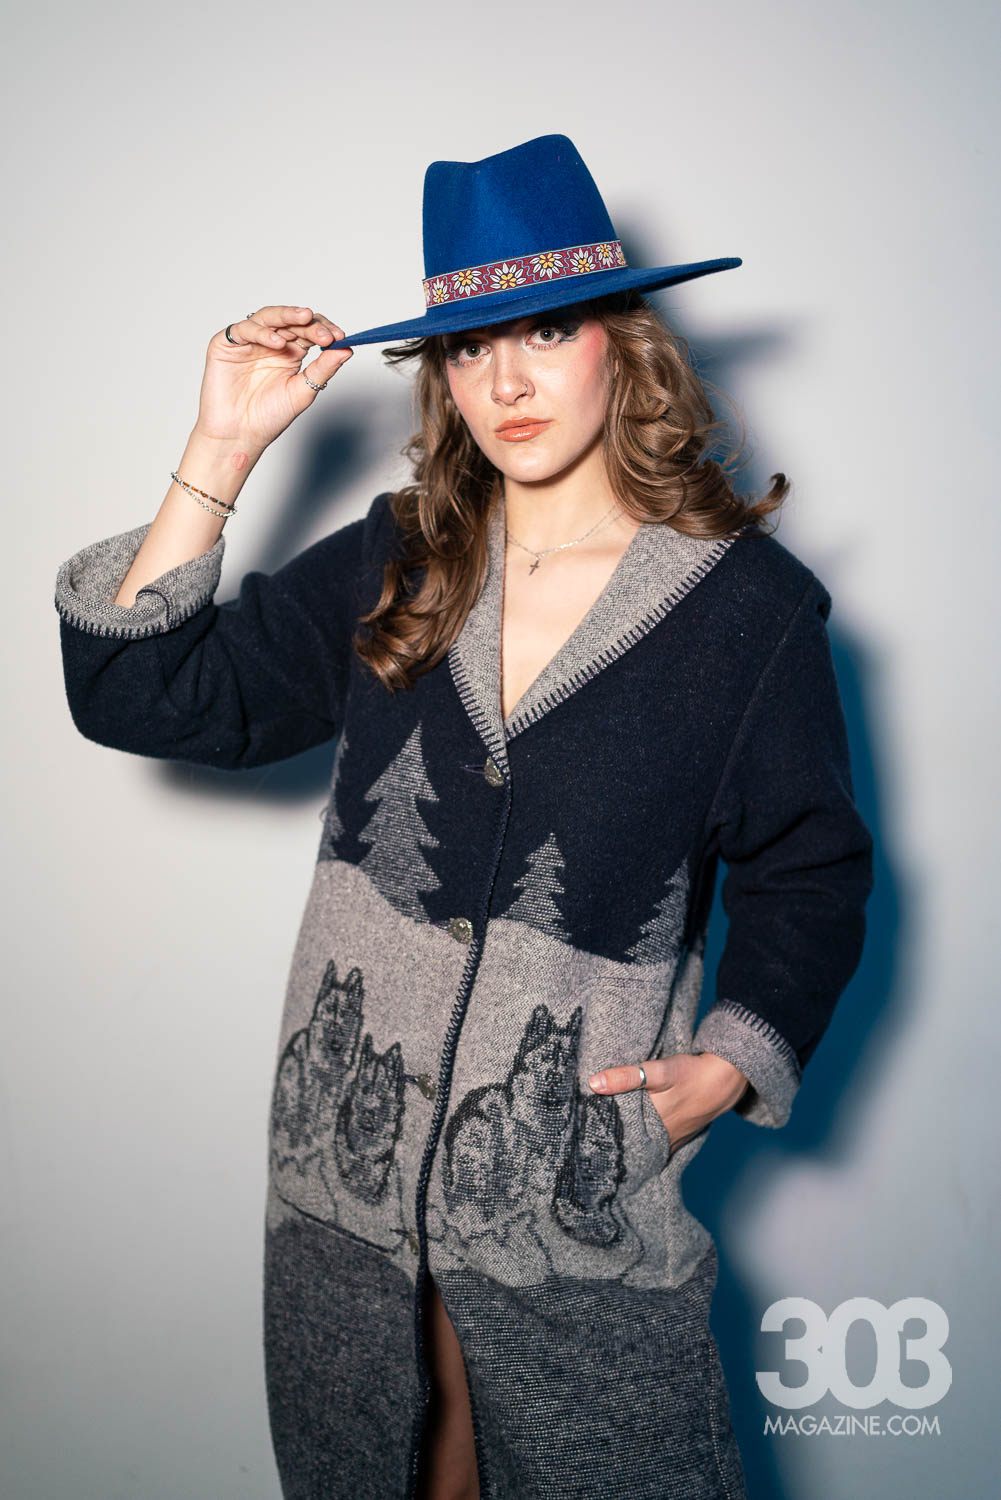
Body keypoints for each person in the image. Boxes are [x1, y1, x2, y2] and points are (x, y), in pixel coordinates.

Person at [54, 134, 874, 1500]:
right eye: (470, 345)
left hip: (567, 1202)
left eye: (546, 331)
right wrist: (222, 447)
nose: (506, 381)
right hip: (348, 1196)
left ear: (621, 341)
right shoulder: (401, 556)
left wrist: (735, 1059)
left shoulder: (747, 614)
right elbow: (144, 696)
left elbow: (813, 867)